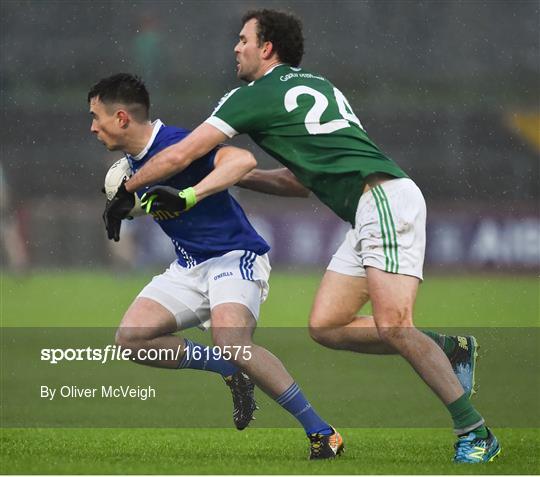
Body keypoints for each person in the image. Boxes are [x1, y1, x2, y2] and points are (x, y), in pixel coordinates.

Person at [104, 11, 501, 464]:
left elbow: (181, 153)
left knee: (394, 325)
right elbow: (298, 182)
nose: (236, 48)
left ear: (266, 48)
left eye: (243, 40)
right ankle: (449, 348)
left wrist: (127, 192)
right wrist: (240, 177)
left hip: (383, 199)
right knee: (326, 327)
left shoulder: (249, 97)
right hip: (370, 207)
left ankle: (475, 432)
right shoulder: (316, 85)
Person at [89, 73, 343, 460]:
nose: (92, 127)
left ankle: (323, 433)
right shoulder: (126, 168)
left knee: (233, 341)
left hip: (234, 256)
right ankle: (228, 368)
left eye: (97, 117)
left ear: (122, 117)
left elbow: (241, 160)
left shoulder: (177, 143)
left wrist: (188, 195)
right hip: (189, 266)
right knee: (131, 340)